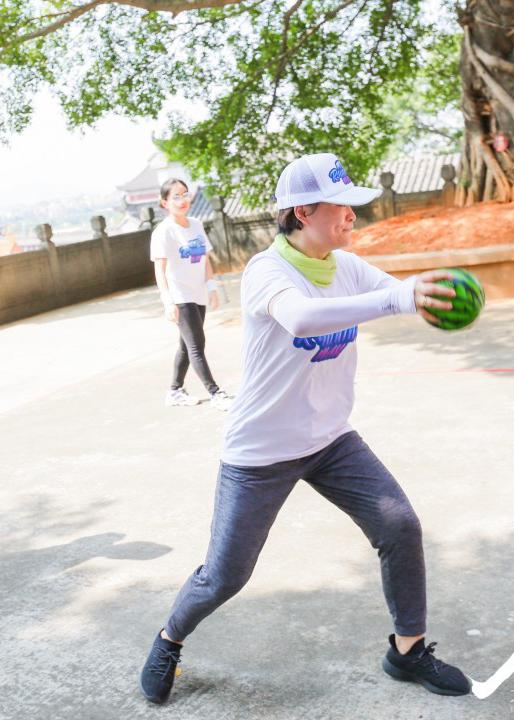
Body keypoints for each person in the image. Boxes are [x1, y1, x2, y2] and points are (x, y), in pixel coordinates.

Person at [140, 153, 472, 703]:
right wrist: (398, 297)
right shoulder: (266, 271)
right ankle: (169, 638)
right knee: (225, 575)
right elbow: (300, 317)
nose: (351, 216)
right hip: (262, 450)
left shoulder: (349, 267)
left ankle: (407, 651)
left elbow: (397, 290)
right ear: (302, 212)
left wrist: (427, 294)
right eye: (340, 206)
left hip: (331, 440)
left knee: (399, 525)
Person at [150, 178, 234, 410]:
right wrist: (168, 301)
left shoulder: (196, 225)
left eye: (185, 194)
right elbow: (160, 269)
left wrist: (212, 287)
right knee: (197, 344)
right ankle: (216, 393)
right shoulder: (164, 231)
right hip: (180, 295)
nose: (182, 200)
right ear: (165, 202)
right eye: (175, 196)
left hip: (197, 293)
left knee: (187, 346)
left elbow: (205, 259)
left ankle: (175, 391)